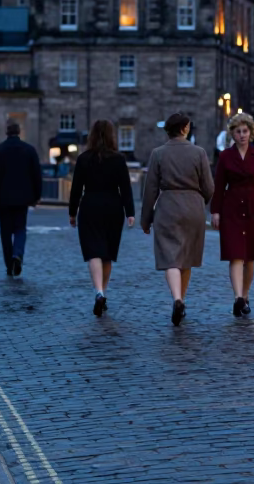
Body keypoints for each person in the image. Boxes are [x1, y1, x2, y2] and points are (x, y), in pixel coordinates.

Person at [141, 113, 214, 325]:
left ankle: (177, 298)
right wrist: (203, 201)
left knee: (169, 256)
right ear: (184, 128)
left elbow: (150, 190)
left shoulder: (158, 154)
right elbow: (209, 187)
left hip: (168, 206)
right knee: (187, 256)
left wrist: (146, 219)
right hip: (192, 206)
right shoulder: (198, 153)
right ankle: (182, 298)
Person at [69, 119, 136, 316]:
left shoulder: (83, 159)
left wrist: (72, 212)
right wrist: (130, 212)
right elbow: (125, 188)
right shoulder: (118, 159)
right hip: (113, 207)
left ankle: (98, 292)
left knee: (93, 251)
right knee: (107, 254)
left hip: (90, 205)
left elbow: (75, 189)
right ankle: (103, 292)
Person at [211, 112, 254, 317]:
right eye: (238, 132)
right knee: (235, 254)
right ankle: (237, 297)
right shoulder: (226, 156)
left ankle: (245, 296)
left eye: (245, 131)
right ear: (233, 134)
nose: (242, 135)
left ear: (250, 132)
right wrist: (215, 211)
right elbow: (219, 186)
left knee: (250, 257)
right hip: (232, 208)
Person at [0, 121, 43, 277]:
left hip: (3, 197)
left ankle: (9, 264)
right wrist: (37, 196)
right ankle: (17, 254)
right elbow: (37, 175)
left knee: (5, 232)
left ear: (6, 132)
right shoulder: (29, 150)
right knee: (20, 228)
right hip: (23, 197)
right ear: (19, 132)